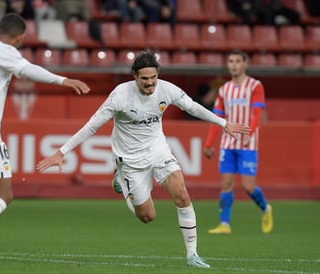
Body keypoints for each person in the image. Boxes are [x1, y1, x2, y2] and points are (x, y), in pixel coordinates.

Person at [36, 50, 250, 269]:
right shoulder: (120, 96)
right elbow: (91, 126)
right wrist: (61, 152)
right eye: (145, 79)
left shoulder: (166, 90)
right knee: (147, 217)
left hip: (158, 151)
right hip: (129, 161)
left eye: (154, 78)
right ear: (134, 76)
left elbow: (192, 107)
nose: (150, 83)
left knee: (182, 195)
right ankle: (120, 178)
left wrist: (223, 123)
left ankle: (192, 255)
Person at [0, 13, 90, 274]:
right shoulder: (4, 50)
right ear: (20, 38)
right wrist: (63, 80)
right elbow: (27, 70)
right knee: (4, 195)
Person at [204, 50, 273, 235]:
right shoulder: (224, 89)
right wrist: (209, 143)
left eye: (237, 61)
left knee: (248, 186)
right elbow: (217, 117)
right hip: (228, 142)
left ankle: (266, 208)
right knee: (226, 184)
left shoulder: (255, 86)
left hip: (248, 143)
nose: (233, 64)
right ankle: (224, 224)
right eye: (230, 61)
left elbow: (258, 112)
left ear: (245, 64)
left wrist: (249, 133)